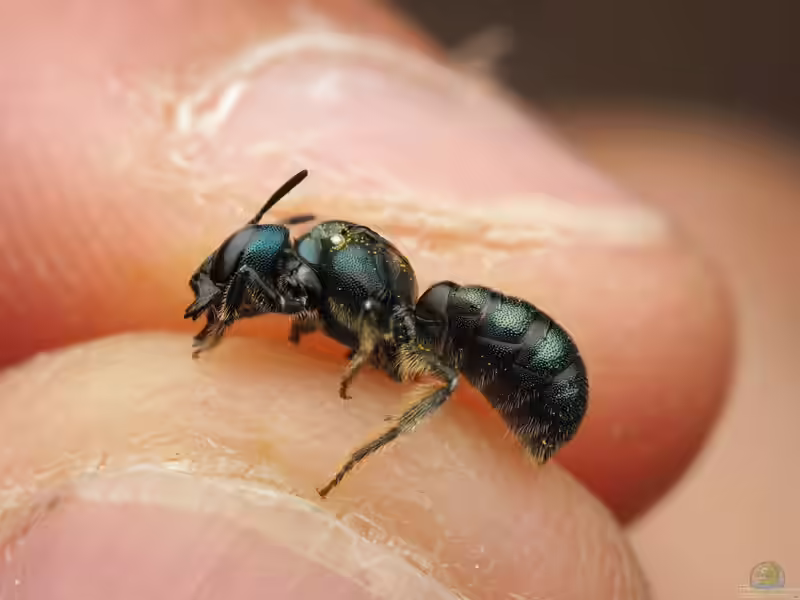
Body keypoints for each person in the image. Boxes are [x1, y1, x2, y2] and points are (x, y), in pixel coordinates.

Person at [0, 1, 737, 598]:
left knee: (439, 377)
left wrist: (350, 423)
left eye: (232, 283)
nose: (238, 291)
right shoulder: (312, 271)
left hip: (529, 363)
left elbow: (332, 306)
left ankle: (363, 460)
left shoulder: (332, 272)